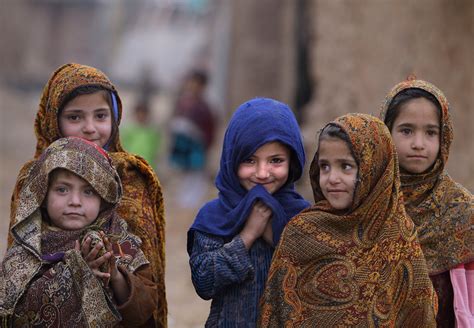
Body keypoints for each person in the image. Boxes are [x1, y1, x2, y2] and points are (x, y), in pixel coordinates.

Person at [7, 63, 167, 327]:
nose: (90, 128)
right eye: (75, 117)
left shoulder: (132, 177)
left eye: (101, 116)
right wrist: (72, 273)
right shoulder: (33, 179)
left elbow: (148, 287)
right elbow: (15, 284)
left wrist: (116, 275)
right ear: (53, 119)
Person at [259, 113, 437, 327]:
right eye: (325, 166)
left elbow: (419, 314)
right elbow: (275, 314)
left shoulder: (399, 238)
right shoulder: (300, 233)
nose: (332, 178)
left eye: (345, 166)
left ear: (375, 168)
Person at [0, 137, 157, 326]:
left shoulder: (121, 244)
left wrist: (115, 275)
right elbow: (16, 313)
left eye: (88, 191)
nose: (75, 201)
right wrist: (75, 271)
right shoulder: (27, 249)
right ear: (43, 193)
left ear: (104, 198)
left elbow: (144, 308)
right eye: (62, 189)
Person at [187, 97, 310, 327]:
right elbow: (203, 282)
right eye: (249, 160)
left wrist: (279, 240)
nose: (263, 173)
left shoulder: (304, 218)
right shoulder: (214, 216)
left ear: (292, 161)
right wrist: (246, 237)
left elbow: (315, 283)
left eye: (276, 160)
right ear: (231, 160)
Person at [380, 77, 473, 327]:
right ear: (385, 132)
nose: (418, 144)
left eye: (430, 132)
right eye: (406, 130)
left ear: (444, 137)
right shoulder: (369, 204)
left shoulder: (463, 212)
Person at [121, 101, 162, 169]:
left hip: (148, 163)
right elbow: (123, 146)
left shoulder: (152, 131)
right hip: (132, 163)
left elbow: (156, 148)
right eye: (139, 114)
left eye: (144, 114)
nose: (141, 116)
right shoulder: (129, 129)